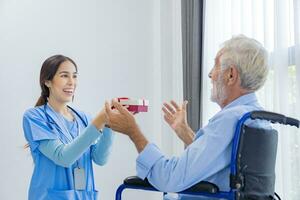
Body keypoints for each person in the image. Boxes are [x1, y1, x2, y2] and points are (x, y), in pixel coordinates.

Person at [104, 35, 269, 199]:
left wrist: (134, 132)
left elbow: (169, 178)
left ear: (231, 75)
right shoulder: (257, 118)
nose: (211, 74)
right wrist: (185, 132)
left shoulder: (229, 119)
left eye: (216, 65)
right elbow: (222, 162)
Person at [23, 55, 114, 200]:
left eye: (75, 76)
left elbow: (100, 158)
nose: (72, 82)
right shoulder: (35, 117)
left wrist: (109, 124)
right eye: (64, 76)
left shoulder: (83, 118)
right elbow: (63, 157)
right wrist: (98, 123)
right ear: (47, 81)